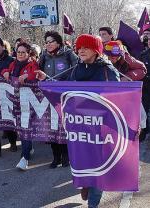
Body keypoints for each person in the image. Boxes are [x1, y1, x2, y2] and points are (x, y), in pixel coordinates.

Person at [37, 34, 120, 208]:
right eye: (79, 47)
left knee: (98, 167)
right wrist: (46, 80)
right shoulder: (76, 69)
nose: (80, 50)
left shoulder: (107, 70)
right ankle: (86, 183)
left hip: (100, 127)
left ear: (96, 49)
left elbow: (118, 99)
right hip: (79, 125)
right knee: (81, 161)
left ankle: (93, 202)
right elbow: (65, 89)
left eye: (86, 47)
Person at [38, 31, 78, 168]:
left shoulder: (68, 54)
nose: (48, 44)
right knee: (52, 126)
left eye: (51, 41)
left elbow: (77, 70)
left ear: (58, 43)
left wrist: (65, 83)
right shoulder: (43, 57)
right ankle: (56, 157)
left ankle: (66, 155)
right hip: (49, 96)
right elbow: (37, 72)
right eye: (47, 42)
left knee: (65, 125)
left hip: (65, 96)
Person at [1, 42, 38, 170]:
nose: (20, 54)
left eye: (23, 52)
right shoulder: (13, 64)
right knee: (21, 129)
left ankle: (24, 158)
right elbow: (6, 70)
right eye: (18, 52)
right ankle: (29, 147)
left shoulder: (32, 64)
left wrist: (28, 75)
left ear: (28, 53)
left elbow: (37, 74)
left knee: (25, 127)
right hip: (15, 102)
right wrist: (5, 72)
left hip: (29, 102)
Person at [140, 37, 150, 141]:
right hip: (146, 88)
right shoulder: (143, 54)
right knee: (145, 112)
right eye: (149, 39)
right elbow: (138, 69)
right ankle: (144, 135)